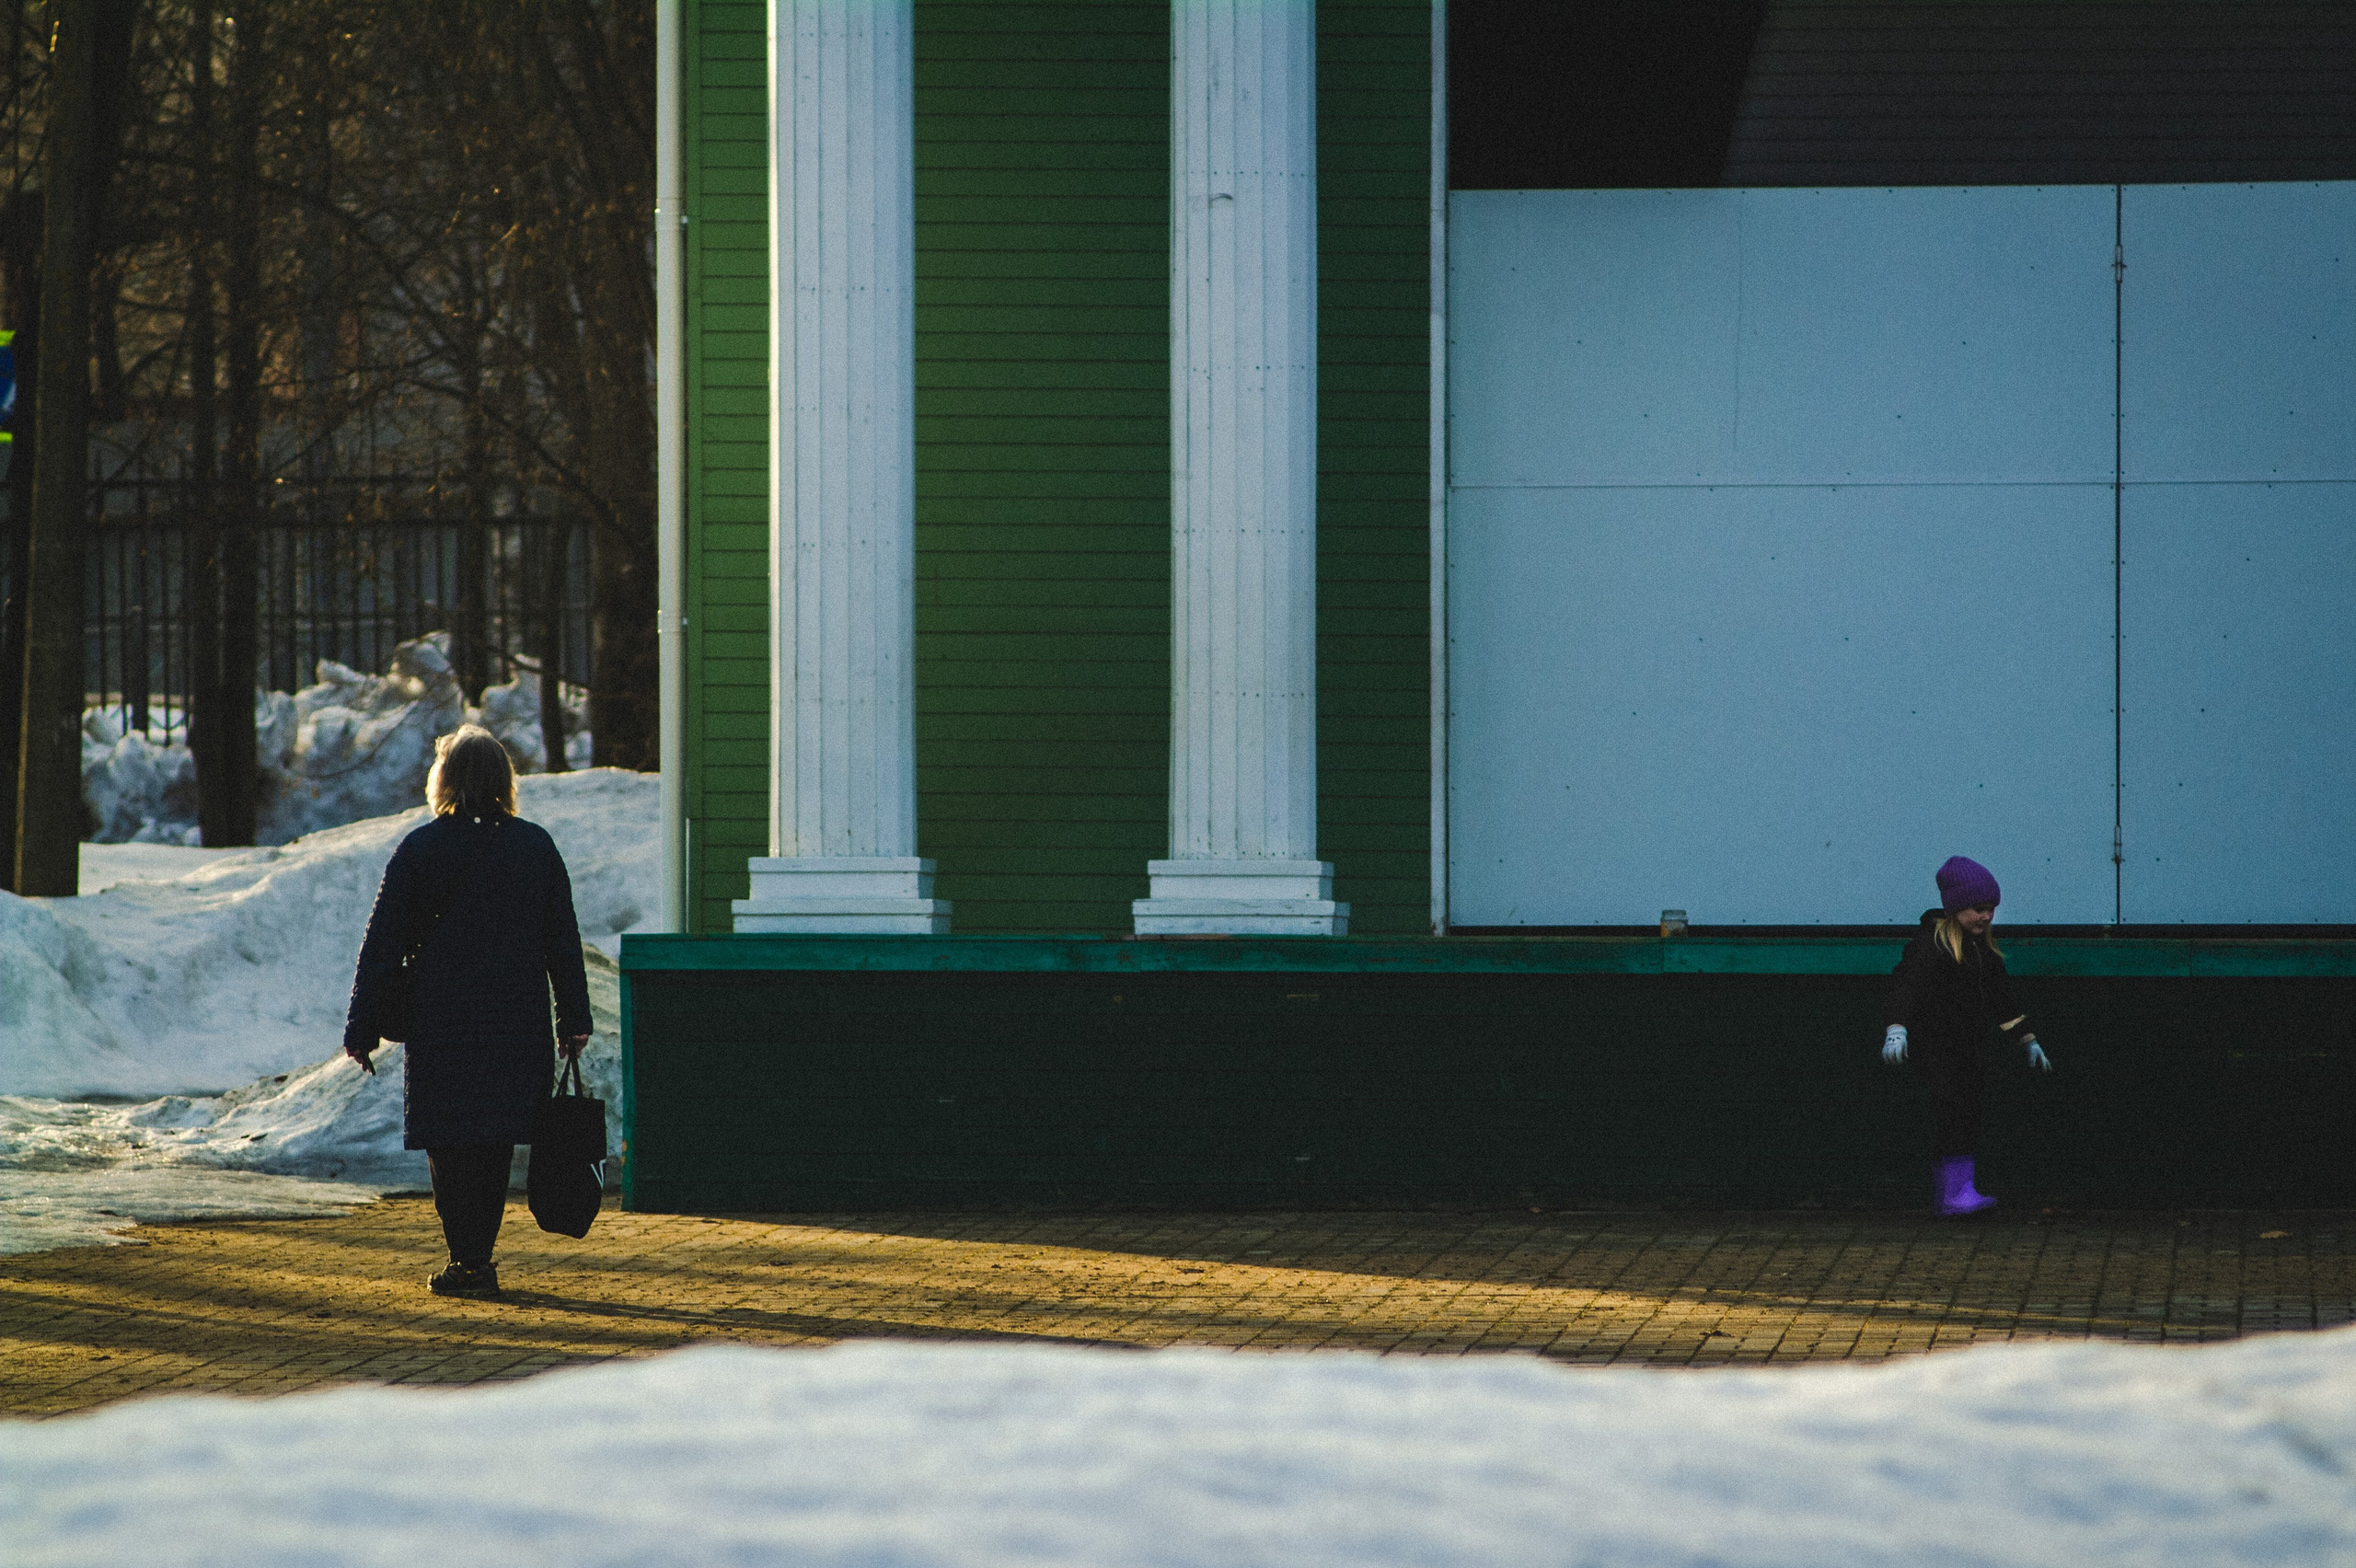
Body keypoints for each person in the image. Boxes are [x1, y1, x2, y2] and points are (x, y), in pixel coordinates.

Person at [343, 725, 593, 1297]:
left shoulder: (420, 850)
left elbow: (380, 943)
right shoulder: (535, 847)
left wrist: (361, 1027)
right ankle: (476, 1255)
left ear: (445, 781)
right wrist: (573, 1018)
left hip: (442, 1022)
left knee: (449, 1142)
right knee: (495, 1139)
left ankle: (468, 1258)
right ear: (505, 781)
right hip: (516, 1019)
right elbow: (562, 939)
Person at [1879, 856, 2053, 1216]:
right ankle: (1953, 1193)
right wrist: (1897, 1028)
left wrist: (2028, 1040)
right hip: (1936, 1050)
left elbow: (2001, 1000)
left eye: (1991, 909)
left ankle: (1956, 1193)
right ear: (1957, 907)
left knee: (1965, 1113)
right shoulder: (1931, 945)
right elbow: (1906, 985)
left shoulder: (1982, 951)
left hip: (1968, 1050)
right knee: (1952, 1113)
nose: (1987, 917)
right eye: (1979, 909)